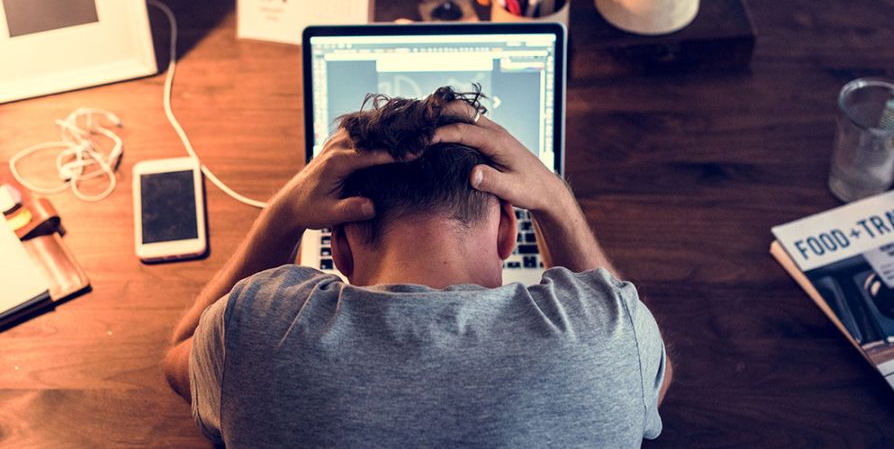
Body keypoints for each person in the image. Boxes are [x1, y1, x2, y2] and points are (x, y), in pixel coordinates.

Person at [163, 86, 672, 447]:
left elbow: (178, 357)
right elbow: (655, 377)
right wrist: (556, 200)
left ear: (338, 249)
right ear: (507, 231)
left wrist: (284, 213)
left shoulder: (257, 332)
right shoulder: (607, 340)